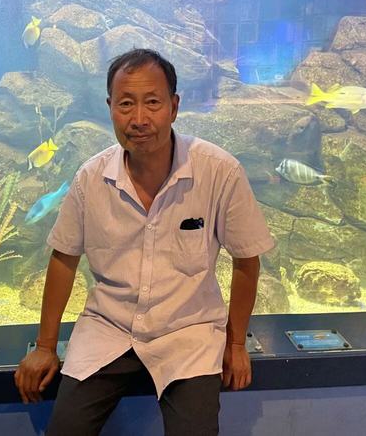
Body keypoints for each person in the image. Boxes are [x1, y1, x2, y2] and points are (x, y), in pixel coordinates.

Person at [14, 48, 275, 435]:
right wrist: (45, 346)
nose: (139, 119)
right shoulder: (91, 178)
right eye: (126, 104)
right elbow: (64, 258)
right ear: (110, 107)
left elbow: (247, 259)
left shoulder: (219, 171)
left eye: (152, 102)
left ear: (174, 106)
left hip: (188, 331)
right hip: (108, 327)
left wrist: (236, 345)